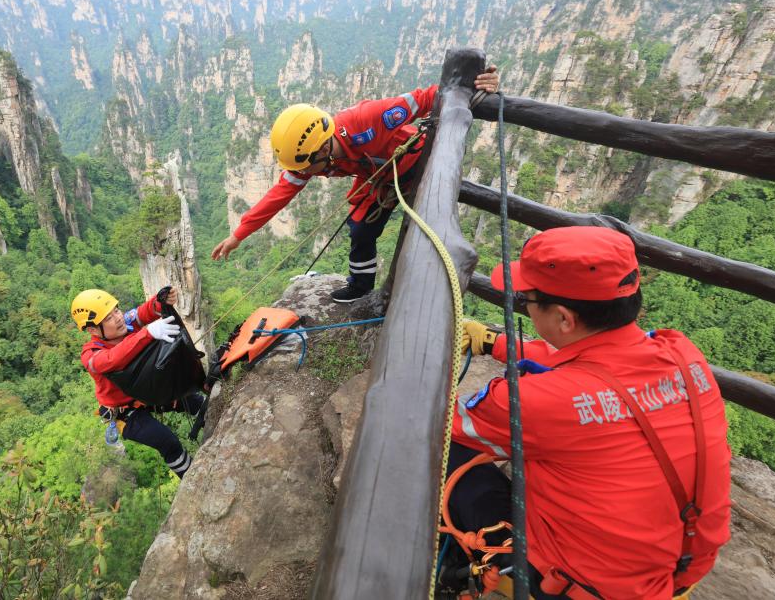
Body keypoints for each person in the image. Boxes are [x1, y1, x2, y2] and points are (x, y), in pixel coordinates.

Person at [448, 226, 730, 599]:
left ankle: (461, 567)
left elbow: (442, 423)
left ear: (564, 319)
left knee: (448, 454)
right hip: (677, 571)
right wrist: (497, 343)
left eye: (527, 299)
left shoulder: (534, 402)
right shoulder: (682, 353)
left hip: (576, 585)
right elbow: (605, 360)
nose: (524, 305)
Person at [211, 68, 500, 303]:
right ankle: (361, 286)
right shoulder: (312, 158)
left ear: (322, 150)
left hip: (418, 166)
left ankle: (425, 298)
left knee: (426, 234)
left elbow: (426, 97)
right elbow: (278, 195)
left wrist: (473, 85)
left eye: (304, 168)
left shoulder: (369, 119)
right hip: (378, 178)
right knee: (361, 228)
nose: (301, 175)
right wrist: (239, 234)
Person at [71, 287, 203, 479]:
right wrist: (147, 333)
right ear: (92, 330)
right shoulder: (91, 355)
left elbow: (144, 312)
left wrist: (161, 301)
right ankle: (194, 479)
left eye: (116, 310)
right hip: (126, 412)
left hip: (147, 392)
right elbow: (111, 359)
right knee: (167, 441)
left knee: (195, 402)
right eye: (108, 318)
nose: (117, 318)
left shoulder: (126, 322)